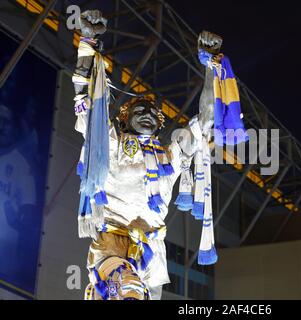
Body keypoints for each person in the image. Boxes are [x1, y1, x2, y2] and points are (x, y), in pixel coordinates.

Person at [72, 10, 224, 300]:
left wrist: (210, 66)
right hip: (112, 242)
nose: (147, 115)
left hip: (153, 250)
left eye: (154, 114)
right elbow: (85, 104)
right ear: (124, 120)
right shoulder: (111, 143)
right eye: (139, 111)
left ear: (160, 124)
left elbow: (206, 120)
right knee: (129, 291)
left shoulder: (171, 154)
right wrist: (88, 42)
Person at [0, 103, 37, 287]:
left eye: (6, 122)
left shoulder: (21, 165)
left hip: (4, 260)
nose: (2, 126)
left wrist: (16, 222)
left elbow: (29, 219)